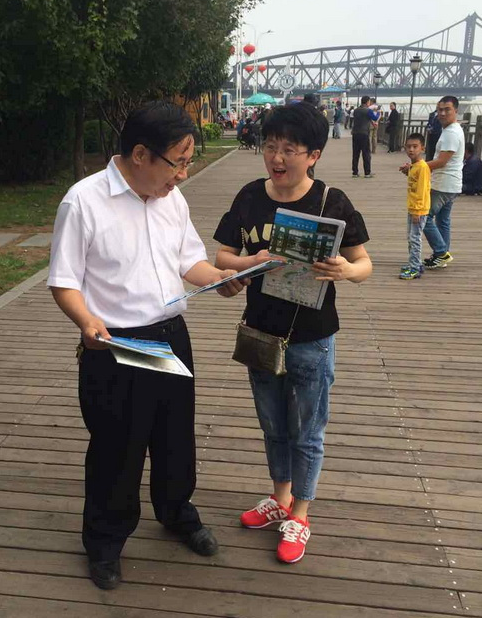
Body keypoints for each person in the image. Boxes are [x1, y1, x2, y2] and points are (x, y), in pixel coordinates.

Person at [47, 101, 246, 590]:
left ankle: (177, 512)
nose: (183, 174)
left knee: (175, 438)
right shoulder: (83, 202)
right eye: (177, 162)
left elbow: (189, 261)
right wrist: (86, 320)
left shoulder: (170, 199)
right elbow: (64, 281)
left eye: (188, 162)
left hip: (169, 337)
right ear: (140, 154)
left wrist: (219, 279)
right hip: (116, 344)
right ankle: (105, 541)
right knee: (117, 448)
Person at [213, 103, 372, 564]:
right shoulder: (249, 196)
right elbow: (222, 257)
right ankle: (279, 498)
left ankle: (300, 514)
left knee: (306, 431)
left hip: (312, 337)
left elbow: (365, 264)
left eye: (289, 149)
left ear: (313, 155)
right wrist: (247, 263)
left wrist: (344, 270)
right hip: (261, 332)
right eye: (270, 146)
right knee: (273, 426)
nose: (276, 158)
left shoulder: (331, 201)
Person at [418, 96, 465, 269]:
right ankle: (442, 255)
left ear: (456, 111)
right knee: (443, 220)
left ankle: (441, 252)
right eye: (440, 110)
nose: (443, 113)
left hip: (443, 184)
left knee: (423, 217)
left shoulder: (451, 133)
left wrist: (416, 167)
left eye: (447, 110)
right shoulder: (452, 129)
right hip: (452, 184)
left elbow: (442, 161)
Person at [398, 133, 431, 280]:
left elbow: (422, 190)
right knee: (411, 237)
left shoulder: (423, 167)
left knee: (415, 238)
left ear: (422, 148)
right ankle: (415, 262)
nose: (411, 149)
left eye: (415, 146)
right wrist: (408, 169)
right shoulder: (415, 166)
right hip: (412, 208)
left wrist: (417, 211)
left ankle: (415, 268)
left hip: (419, 209)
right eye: (408, 147)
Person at [351, 95, 375, 178]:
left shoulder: (356, 110)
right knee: (366, 153)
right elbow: (375, 118)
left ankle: (355, 172)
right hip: (364, 134)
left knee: (355, 153)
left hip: (355, 133)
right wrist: (378, 112)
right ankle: (367, 173)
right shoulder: (368, 111)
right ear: (367, 102)